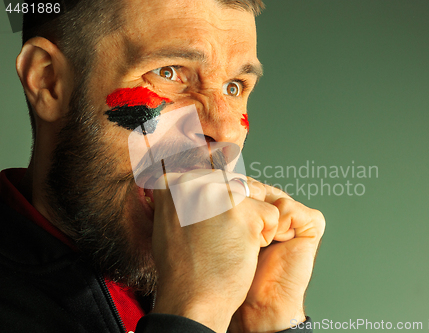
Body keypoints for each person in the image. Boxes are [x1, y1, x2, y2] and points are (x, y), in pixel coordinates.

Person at [0, 0, 326, 332]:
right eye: (168, 72)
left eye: (234, 87)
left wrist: (270, 323)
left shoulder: (236, 296)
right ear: (48, 80)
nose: (226, 130)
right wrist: (194, 311)